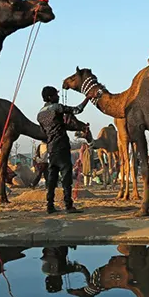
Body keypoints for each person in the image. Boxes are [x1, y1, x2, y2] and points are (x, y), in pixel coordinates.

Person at [37, 86, 88, 214]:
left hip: (51, 149)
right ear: (50, 97)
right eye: (55, 95)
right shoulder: (57, 108)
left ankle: (50, 205)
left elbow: (45, 131)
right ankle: (68, 205)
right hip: (62, 147)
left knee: (52, 178)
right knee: (66, 177)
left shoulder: (40, 114)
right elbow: (77, 110)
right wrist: (88, 97)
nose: (58, 96)